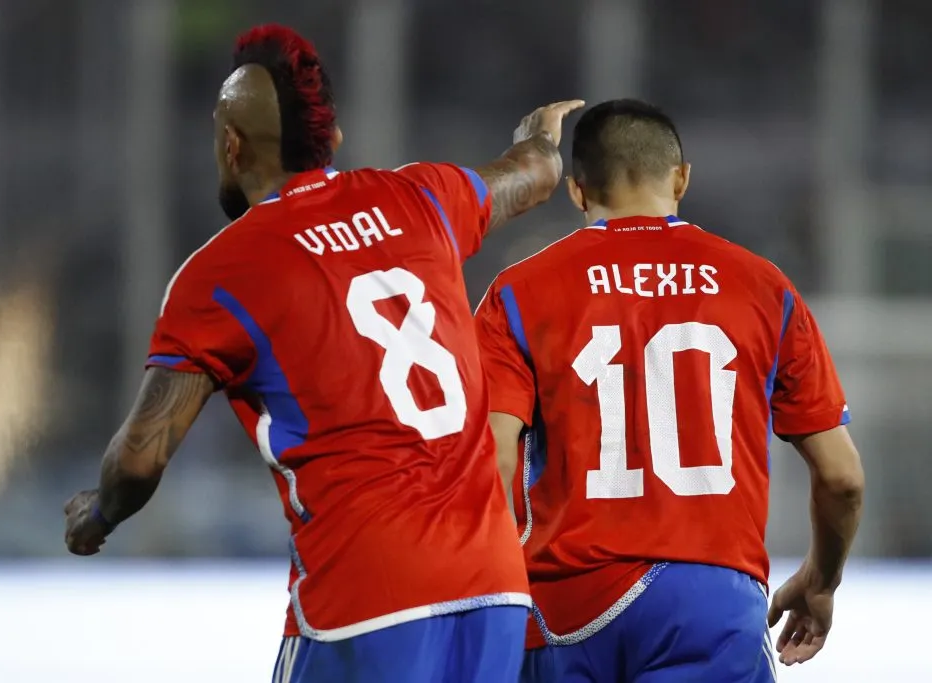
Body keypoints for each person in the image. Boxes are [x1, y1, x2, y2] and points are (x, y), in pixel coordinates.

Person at [62, 23, 583, 683]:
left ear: (229, 146)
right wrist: (539, 137)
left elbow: (138, 460)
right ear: (331, 142)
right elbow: (531, 176)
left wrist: (97, 513)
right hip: (496, 591)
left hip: (363, 597)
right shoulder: (422, 198)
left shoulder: (221, 274)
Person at [474, 99, 865, 683]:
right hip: (711, 603)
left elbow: (492, 459)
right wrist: (821, 578)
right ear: (682, 178)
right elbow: (842, 477)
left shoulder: (518, 292)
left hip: (566, 605)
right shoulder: (763, 287)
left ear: (579, 192)